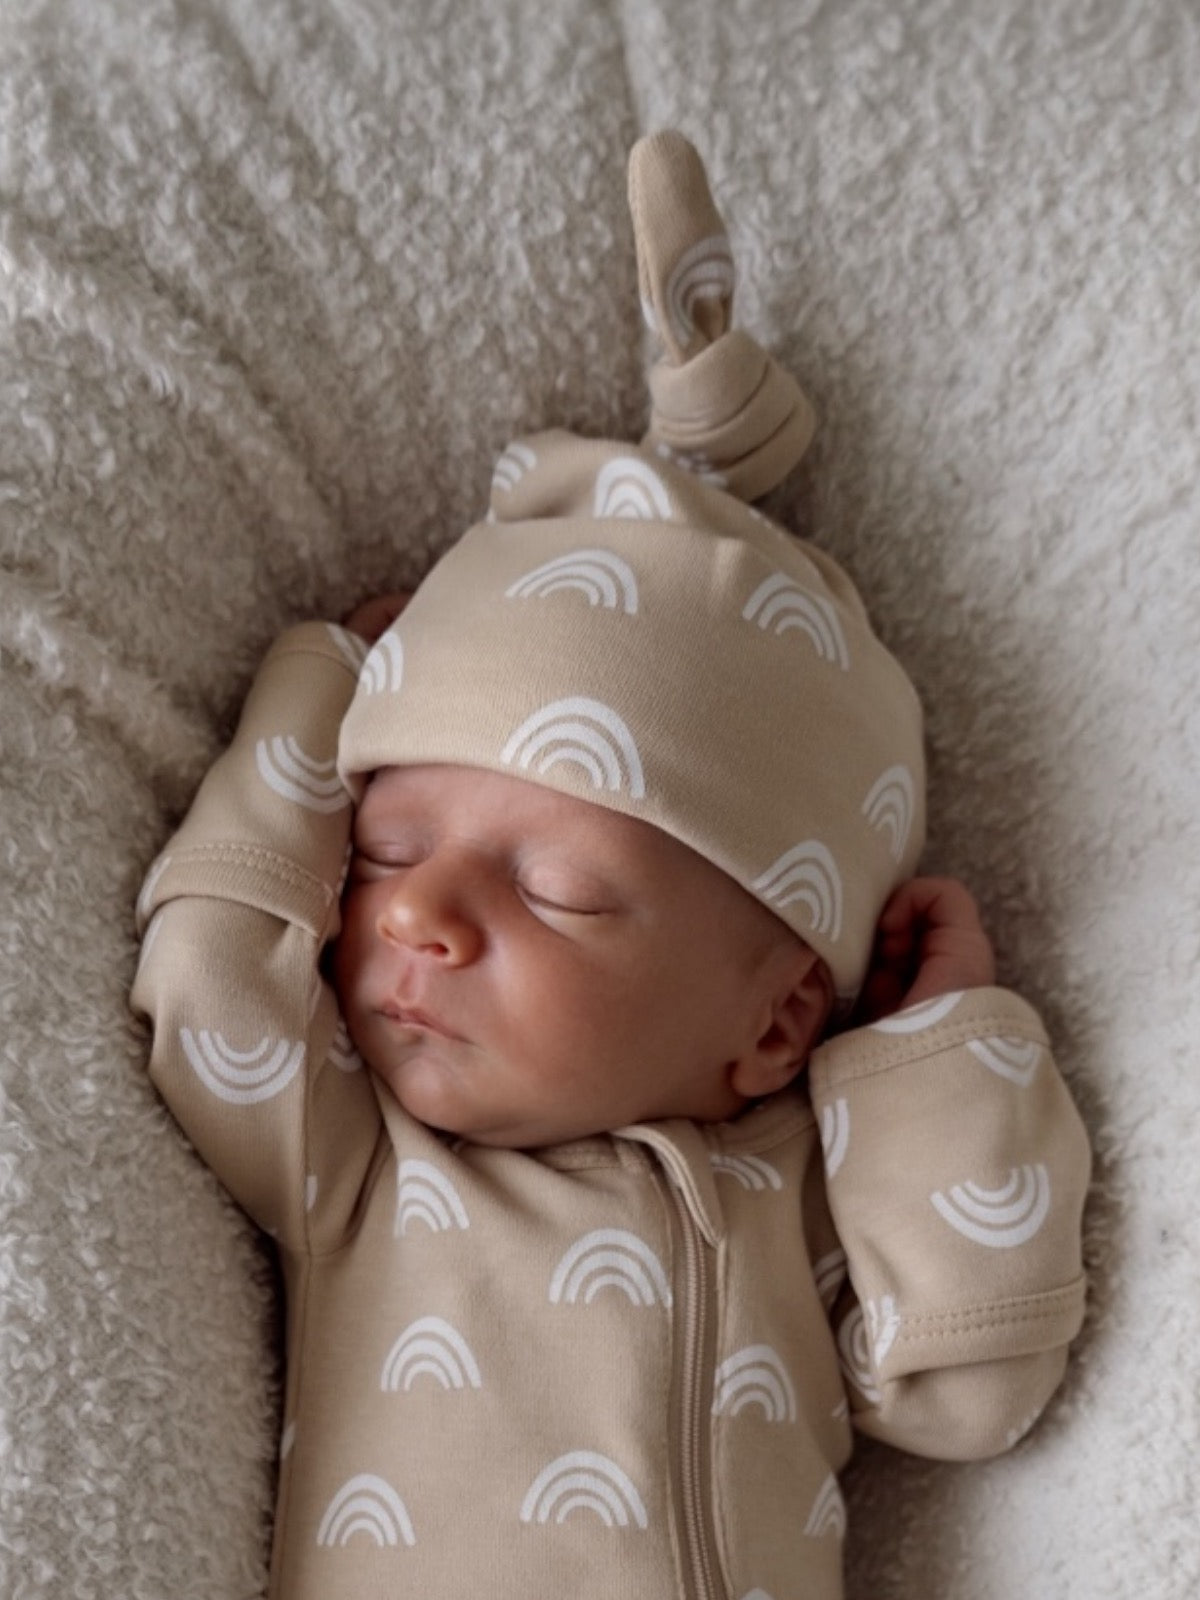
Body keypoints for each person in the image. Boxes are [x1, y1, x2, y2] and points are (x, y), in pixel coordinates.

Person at [131, 132, 1090, 1600]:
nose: (421, 915)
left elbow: (974, 1387)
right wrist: (324, 692)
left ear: (771, 1026)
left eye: (558, 888)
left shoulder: (804, 1198)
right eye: (386, 848)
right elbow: (209, 984)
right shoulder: (372, 1176)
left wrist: (932, 1059)